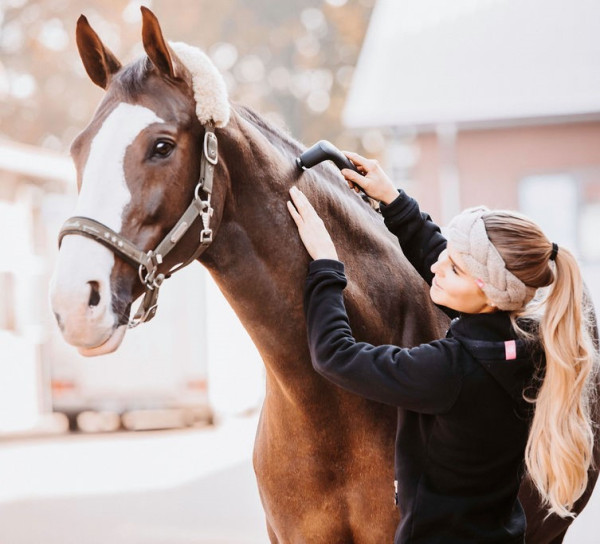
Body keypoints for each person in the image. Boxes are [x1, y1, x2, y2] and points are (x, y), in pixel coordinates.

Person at [286, 151, 598, 544]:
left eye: (453, 268)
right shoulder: (532, 343)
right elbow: (462, 268)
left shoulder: (450, 371)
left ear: (487, 292)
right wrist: (393, 200)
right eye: (447, 256)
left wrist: (326, 264)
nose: (437, 267)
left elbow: (336, 356)